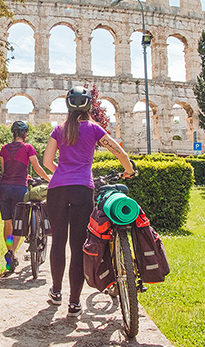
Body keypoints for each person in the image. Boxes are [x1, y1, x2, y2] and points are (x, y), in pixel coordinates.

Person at [42, 86, 135, 317]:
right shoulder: (94, 129)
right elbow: (118, 151)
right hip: (82, 188)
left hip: (57, 189)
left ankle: (55, 292)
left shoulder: (59, 129)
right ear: (89, 106)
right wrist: (129, 169)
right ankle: (74, 303)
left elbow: (46, 161)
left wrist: (61, 173)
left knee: (58, 243)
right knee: (77, 246)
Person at [0, 120, 51, 272]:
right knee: (19, 223)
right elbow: (37, 167)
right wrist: (49, 179)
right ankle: (12, 252)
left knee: (7, 222)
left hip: (3, 188)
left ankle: (10, 253)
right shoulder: (28, 148)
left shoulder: (4, 148)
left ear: (13, 134)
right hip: (19, 188)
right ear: (25, 134)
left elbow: (5, 170)